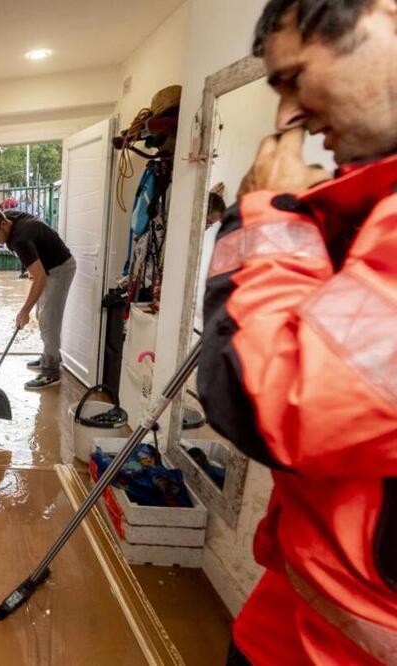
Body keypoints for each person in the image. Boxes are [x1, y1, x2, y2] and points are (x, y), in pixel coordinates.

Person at [198, 1, 397, 663]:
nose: (286, 116)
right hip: (301, 614)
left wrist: (269, 218)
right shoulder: (376, 205)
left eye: (292, 77)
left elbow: (270, 403)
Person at [0, 203, 76, 390]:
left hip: (59, 268)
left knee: (48, 320)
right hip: (47, 265)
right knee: (41, 314)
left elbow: (40, 278)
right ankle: (48, 356)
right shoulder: (6, 217)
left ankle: (51, 373)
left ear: (4, 225)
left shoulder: (20, 239)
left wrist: (23, 311)